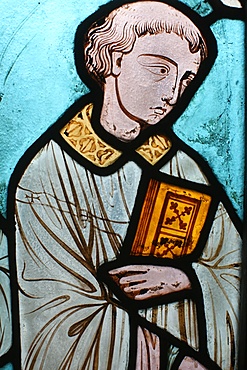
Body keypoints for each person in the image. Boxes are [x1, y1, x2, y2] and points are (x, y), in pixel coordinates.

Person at [14, 1, 241, 369]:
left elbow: (232, 270)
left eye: (185, 78)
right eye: (159, 69)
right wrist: (168, 356)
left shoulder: (185, 169)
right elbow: (54, 316)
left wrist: (187, 280)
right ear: (113, 59)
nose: (173, 93)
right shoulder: (47, 173)